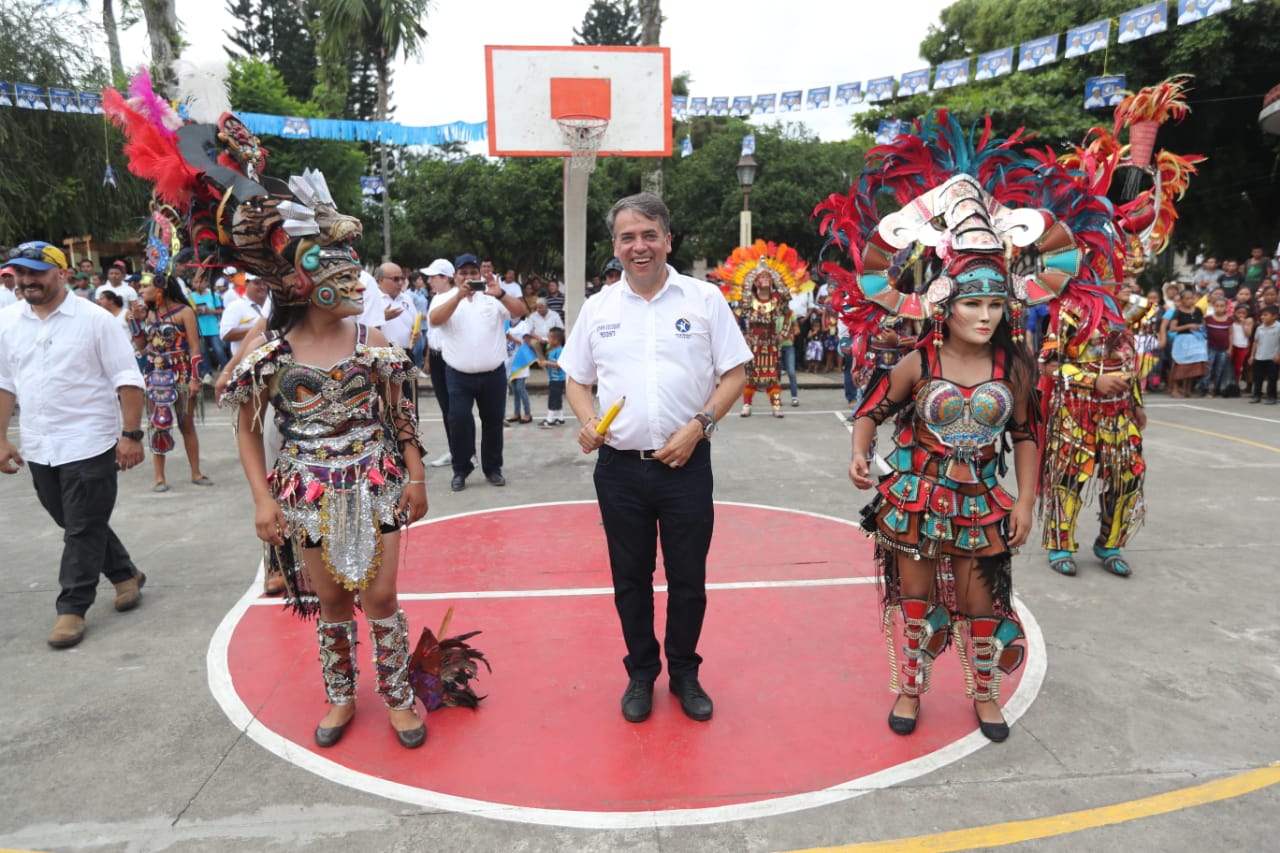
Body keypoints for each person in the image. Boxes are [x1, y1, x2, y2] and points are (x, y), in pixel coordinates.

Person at [560, 193, 751, 724]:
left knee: (688, 577)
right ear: (616, 246)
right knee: (631, 578)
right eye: (627, 237)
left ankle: (685, 671)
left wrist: (700, 426)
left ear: (668, 239)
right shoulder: (599, 309)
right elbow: (577, 378)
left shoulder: (704, 299)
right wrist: (586, 419)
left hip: (686, 464)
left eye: (648, 235)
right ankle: (641, 674)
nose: (638, 246)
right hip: (620, 469)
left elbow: (735, 372)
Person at [0, 241, 147, 649]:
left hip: (90, 439)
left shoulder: (95, 320)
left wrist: (131, 435)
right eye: (19, 273)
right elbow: (5, 383)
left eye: (36, 273)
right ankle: (124, 574)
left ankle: (72, 607)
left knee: (81, 526)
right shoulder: (7, 322)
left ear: (61, 275)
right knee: (71, 518)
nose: (26, 281)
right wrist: (0, 438)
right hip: (40, 442)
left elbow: (128, 378)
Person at [427, 252, 527, 492]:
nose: (469, 277)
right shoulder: (446, 297)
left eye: (474, 273)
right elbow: (434, 320)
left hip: (493, 373)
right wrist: (459, 296)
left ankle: (493, 469)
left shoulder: (492, 296)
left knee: (493, 423)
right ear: (455, 276)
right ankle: (460, 469)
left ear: (480, 274)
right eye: (464, 273)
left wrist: (500, 293)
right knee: (459, 420)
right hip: (458, 374)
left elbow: (520, 311)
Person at [130, 272, 213, 492]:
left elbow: (195, 347)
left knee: (187, 424)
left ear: (159, 289)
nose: (140, 291)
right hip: (156, 375)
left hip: (182, 373)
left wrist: (196, 378)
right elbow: (141, 346)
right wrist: (135, 322)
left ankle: (195, 471)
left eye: (144, 287)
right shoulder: (147, 313)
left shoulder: (185, 312)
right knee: (158, 424)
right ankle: (159, 477)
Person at [714, 241, 809, 418]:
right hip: (753, 341)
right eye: (762, 277)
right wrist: (741, 336)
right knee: (750, 374)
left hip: (772, 341)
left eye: (768, 277)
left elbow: (788, 314)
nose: (765, 279)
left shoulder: (777, 300)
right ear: (756, 281)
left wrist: (783, 333)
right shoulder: (748, 301)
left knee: (773, 375)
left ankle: (776, 405)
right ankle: (747, 405)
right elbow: (735, 317)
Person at [420, 259, 456, 468]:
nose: (429, 280)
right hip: (435, 356)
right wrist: (427, 359)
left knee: (456, 408)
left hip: (449, 356)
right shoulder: (436, 297)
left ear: (445, 278)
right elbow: (432, 332)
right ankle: (455, 449)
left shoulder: (454, 297)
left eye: (434, 277)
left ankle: (466, 452)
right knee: (445, 407)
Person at [187, 267, 228, 381]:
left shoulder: (213, 295)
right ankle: (207, 373)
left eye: (201, 281)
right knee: (203, 352)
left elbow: (221, 310)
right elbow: (187, 312)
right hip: (199, 330)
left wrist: (211, 311)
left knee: (219, 350)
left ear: (206, 282)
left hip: (213, 328)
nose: (199, 284)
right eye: (196, 282)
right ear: (192, 283)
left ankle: (226, 370)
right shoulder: (190, 297)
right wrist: (194, 313)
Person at [219, 273, 272, 358]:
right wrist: (258, 329)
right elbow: (225, 334)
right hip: (246, 362)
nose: (263, 286)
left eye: (265, 282)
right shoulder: (235, 306)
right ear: (247, 284)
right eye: (257, 283)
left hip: (272, 359)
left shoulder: (272, 305)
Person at [1167, 289, 1207, 398]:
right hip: (1182, 340)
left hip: (1195, 340)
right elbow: (1172, 328)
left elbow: (1202, 323)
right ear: (1182, 300)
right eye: (1187, 299)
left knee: (1192, 365)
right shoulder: (1178, 312)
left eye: (1192, 298)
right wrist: (1188, 326)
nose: (1190, 301)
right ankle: (1174, 389)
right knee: (1179, 364)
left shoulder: (1198, 310)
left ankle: (1187, 389)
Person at [1248, 304, 1280, 404]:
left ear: (1274, 316)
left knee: (1272, 379)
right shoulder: (1259, 328)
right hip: (1259, 356)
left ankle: (1272, 397)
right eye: (1262, 315)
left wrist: (1278, 355)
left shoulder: (1278, 327)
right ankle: (1257, 395)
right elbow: (1256, 342)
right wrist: (1252, 355)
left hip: (1272, 358)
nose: (1263, 317)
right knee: (1258, 378)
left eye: (1266, 315)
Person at [538, 326, 567, 427]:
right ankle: (560, 418)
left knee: (553, 399)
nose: (548, 340)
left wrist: (547, 363)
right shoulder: (552, 349)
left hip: (558, 379)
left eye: (549, 338)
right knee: (557, 399)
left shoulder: (559, 351)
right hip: (553, 378)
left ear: (556, 340)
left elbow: (560, 365)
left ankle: (550, 419)